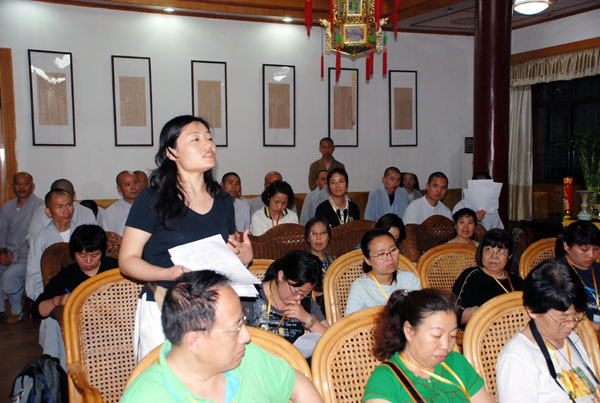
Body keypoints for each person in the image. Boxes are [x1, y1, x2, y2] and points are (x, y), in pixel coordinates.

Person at [119, 115, 253, 362]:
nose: (209, 145)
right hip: (166, 305)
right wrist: (168, 273)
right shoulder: (152, 199)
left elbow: (226, 251)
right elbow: (127, 260)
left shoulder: (223, 200)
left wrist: (243, 257)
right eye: (196, 139)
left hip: (212, 307)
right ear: (171, 152)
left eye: (210, 139)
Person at [121, 270, 322, 403]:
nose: (246, 336)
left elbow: (297, 385)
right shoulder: (147, 397)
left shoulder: (247, 357)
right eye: (235, 329)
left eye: (242, 322)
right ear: (194, 341)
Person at [364, 289, 493, 403]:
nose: (446, 345)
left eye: (452, 335)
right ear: (409, 331)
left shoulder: (456, 362)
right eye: (436, 336)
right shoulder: (386, 379)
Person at [497, 260, 599, 403]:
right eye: (562, 318)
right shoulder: (517, 357)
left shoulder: (572, 338)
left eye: (576, 316)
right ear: (532, 310)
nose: (571, 325)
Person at [243, 250, 329, 347]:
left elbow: (332, 339)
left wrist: (308, 319)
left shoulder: (306, 302)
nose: (298, 298)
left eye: (305, 293)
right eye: (296, 291)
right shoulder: (250, 296)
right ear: (281, 276)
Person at [31, 225, 118, 320]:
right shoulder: (67, 276)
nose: (88, 261)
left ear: (103, 252)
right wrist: (57, 300)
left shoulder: (115, 268)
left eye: (95, 255)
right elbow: (36, 311)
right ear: (73, 253)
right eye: (82, 255)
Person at [452, 228, 524, 328]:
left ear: (509, 256)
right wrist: (483, 311)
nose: (493, 256)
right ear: (481, 252)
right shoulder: (471, 276)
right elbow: (455, 315)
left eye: (501, 251)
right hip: (480, 337)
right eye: (489, 250)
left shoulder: (517, 280)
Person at [345, 229, 421, 316]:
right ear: (368, 260)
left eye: (393, 250)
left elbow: (422, 312)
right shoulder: (360, 288)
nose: (390, 258)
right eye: (381, 254)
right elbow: (350, 324)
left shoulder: (409, 279)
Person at [0, 172, 43, 323]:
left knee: (9, 275)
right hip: (8, 252)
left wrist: (15, 256)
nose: (21, 187)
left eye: (25, 183)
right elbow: (2, 231)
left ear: (32, 186)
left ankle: (16, 310)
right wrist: (3, 251)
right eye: (17, 183)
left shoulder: (40, 206)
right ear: (13, 186)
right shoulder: (7, 207)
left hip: (28, 256)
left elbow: (37, 238)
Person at [555, 220, 600, 330]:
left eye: (596, 249)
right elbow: (558, 315)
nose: (591, 255)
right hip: (575, 331)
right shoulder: (556, 273)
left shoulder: (597, 268)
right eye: (584, 250)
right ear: (567, 246)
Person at [27, 178, 96, 240]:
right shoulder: (40, 212)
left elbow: (94, 240)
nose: (66, 211)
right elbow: (32, 239)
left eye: (68, 204)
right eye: (59, 206)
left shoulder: (86, 212)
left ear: (74, 195)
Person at [100, 171, 140, 236]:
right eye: (127, 184)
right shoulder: (112, 212)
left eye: (135, 183)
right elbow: (111, 239)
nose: (133, 187)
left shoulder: (151, 205)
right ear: (119, 189)